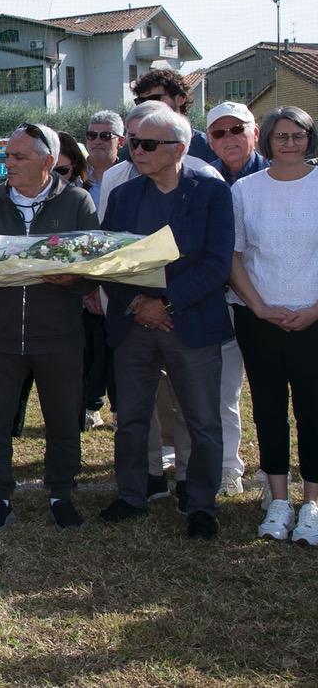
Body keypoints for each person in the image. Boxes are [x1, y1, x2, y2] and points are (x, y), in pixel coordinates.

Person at [97, 104, 233, 541]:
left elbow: (216, 264)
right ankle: (132, 495)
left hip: (188, 325)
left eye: (148, 144)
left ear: (180, 148)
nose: (137, 150)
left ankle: (201, 505)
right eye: (134, 142)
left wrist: (165, 304)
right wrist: (138, 303)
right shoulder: (121, 197)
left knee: (202, 422)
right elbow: (108, 261)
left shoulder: (212, 192)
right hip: (134, 325)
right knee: (132, 418)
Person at [0, 122, 99, 532]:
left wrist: (74, 280)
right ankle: (0, 496)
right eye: (7, 157)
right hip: (0, 335)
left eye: (20, 157)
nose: (9, 165)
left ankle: (60, 493)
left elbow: (95, 268)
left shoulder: (77, 202)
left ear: (48, 161)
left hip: (58, 336)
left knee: (62, 419)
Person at [229, 106, 318, 545]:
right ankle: (279, 499)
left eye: (297, 134)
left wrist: (314, 310)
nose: (288, 142)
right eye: (280, 135)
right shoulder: (246, 189)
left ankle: (313, 504)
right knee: (268, 409)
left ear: (309, 137)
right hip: (260, 319)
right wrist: (259, 306)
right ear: (266, 140)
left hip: (314, 319)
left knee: (313, 412)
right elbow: (235, 256)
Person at [205, 101, 264, 495]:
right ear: (209, 141)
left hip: (271, 304)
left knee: (270, 393)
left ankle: (271, 469)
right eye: (219, 133)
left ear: (254, 132)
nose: (229, 138)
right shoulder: (206, 181)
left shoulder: (278, 176)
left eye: (237, 129)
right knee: (225, 392)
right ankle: (230, 467)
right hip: (219, 303)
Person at [131, 68, 214, 162]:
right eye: (141, 101)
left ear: (180, 99)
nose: (148, 105)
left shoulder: (207, 145)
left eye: (154, 99)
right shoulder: (135, 145)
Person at [83, 111, 125, 208]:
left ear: (121, 141)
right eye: (92, 135)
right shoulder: (72, 174)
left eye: (105, 136)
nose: (97, 141)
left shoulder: (131, 175)